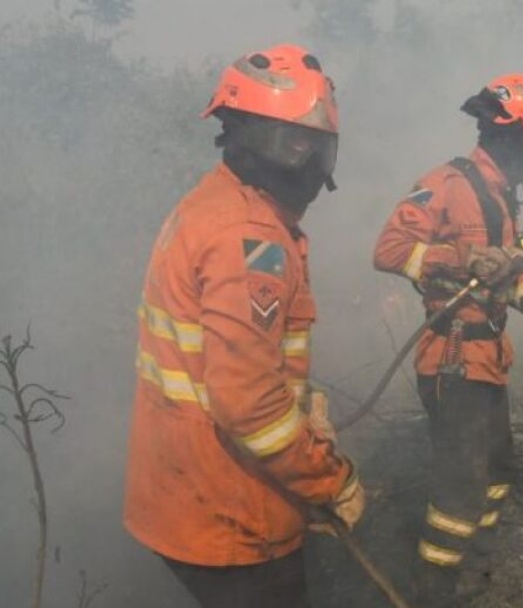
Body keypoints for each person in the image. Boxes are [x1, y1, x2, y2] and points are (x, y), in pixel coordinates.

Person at [123, 44, 363, 608]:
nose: (302, 159)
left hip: (191, 492)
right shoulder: (247, 238)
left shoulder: (214, 203)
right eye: (288, 141)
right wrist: (331, 480)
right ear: (240, 135)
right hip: (230, 512)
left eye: (309, 142)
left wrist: (302, 417)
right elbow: (248, 404)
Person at [373, 73, 523, 605]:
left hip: (485, 360)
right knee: (460, 494)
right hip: (453, 360)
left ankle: (474, 575)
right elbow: (388, 251)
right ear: (505, 135)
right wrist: (458, 258)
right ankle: (431, 593)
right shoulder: (449, 184)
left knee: (498, 474)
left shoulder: (501, 202)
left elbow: (508, 282)